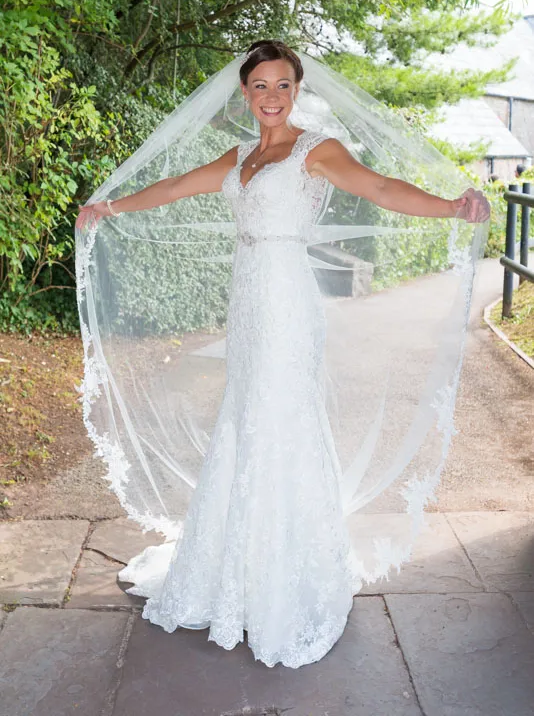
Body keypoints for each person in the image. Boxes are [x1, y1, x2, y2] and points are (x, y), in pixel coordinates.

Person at [75, 39, 490, 669]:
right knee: (245, 415)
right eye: (260, 86)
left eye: (283, 85)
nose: (272, 97)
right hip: (247, 302)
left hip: (288, 306)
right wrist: (110, 205)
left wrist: (449, 208)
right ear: (245, 93)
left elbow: (378, 186)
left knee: (281, 416)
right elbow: (179, 185)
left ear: (298, 90)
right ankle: (232, 563)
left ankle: (283, 578)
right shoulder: (240, 155)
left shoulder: (314, 150)